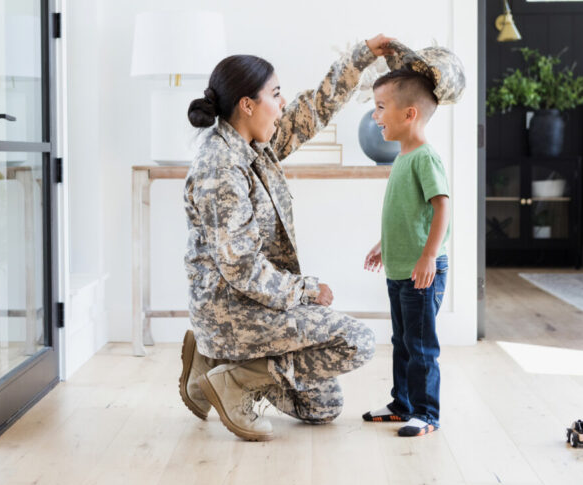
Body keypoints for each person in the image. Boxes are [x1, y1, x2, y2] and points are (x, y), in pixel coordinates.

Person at [177, 35, 394, 441]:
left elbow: (315, 107)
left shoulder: (254, 143)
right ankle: (232, 376)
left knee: (323, 406)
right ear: (247, 104)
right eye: (275, 95)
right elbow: (241, 268)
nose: (282, 104)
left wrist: (364, 54)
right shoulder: (220, 167)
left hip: (256, 305)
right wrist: (307, 290)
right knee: (358, 341)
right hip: (233, 312)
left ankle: (211, 366)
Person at [360, 46, 465, 437]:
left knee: (421, 347)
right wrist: (383, 244)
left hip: (422, 272)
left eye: (381, 107)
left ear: (409, 114)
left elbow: (442, 208)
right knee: (402, 341)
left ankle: (426, 413)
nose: (375, 115)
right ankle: (401, 404)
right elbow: (406, 213)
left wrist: (429, 257)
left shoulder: (424, 158)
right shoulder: (401, 157)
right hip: (401, 268)